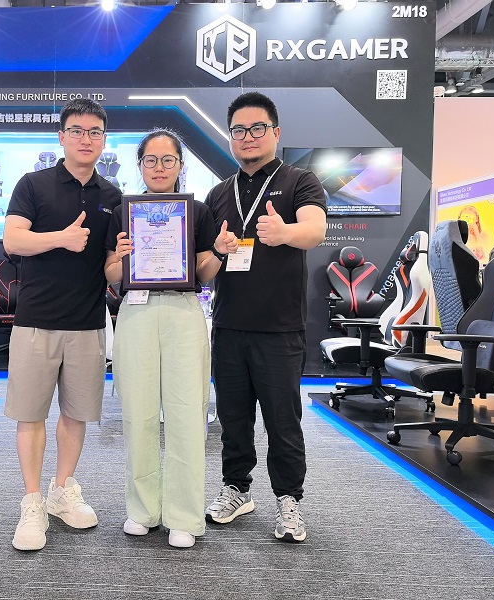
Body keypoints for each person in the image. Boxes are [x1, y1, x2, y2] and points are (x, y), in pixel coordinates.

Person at [104, 128, 238, 548]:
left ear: (180, 165)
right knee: (138, 412)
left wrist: (219, 251)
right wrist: (121, 257)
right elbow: (110, 274)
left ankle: (184, 515)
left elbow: (202, 273)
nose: (159, 168)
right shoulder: (122, 211)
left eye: (168, 160)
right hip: (136, 312)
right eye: (151, 160)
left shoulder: (196, 212)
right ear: (140, 165)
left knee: (186, 413)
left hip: (183, 312)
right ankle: (142, 509)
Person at [203, 92, 327, 543]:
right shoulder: (219, 193)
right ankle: (236, 489)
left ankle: (289, 501)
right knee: (233, 420)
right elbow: (205, 262)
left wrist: (284, 231)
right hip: (228, 326)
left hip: (279, 328)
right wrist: (217, 251)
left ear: (275, 132)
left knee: (282, 421)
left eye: (257, 128)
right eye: (239, 130)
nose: (248, 137)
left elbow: (315, 229)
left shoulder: (299, 181)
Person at [2, 98, 122, 551]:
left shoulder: (113, 195)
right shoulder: (33, 184)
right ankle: (32, 502)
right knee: (31, 414)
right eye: (77, 130)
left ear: (104, 139)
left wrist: (128, 262)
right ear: (61, 136)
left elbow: (110, 265)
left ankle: (61, 489)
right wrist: (62, 239)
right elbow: (13, 240)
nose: (85, 139)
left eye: (94, 132)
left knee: (76, 414)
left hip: (89, 323)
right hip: (36, 321)